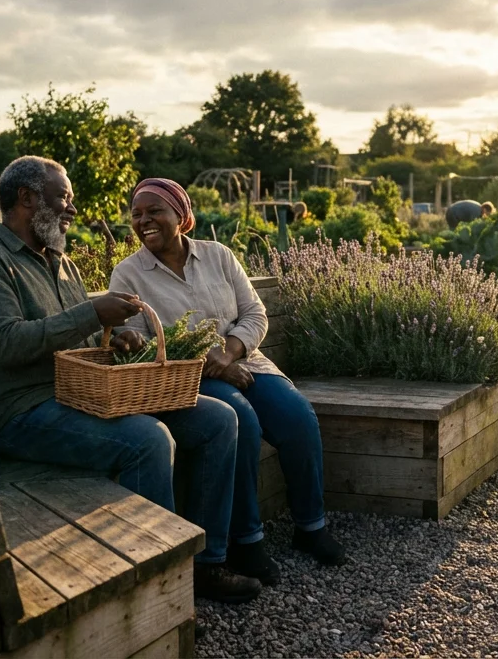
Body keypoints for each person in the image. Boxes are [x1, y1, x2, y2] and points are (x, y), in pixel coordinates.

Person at [0, 157, 261, 604]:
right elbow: (2, 344)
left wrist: (117, 337)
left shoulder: (61, 263)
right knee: (148, 440)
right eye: (64, 199)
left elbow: (88, 334)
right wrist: (91, 313)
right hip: (20, 411)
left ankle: (206, 565)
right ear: (27, 198)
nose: (72, 210)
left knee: (218, 419)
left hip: (83, 393)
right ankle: (157, 586)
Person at [110, 178, 346, 586]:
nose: (144, 221)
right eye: (136, 214)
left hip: (248, 363)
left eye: (155, 212)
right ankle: (247, 541)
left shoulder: (218, 256)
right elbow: (139, 343)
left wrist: (231, 352)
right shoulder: (128, 274)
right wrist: (210, 364)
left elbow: (255, 313)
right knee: (240, 419)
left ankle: (311, 527)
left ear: (182, 218)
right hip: (189, 380)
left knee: (298, 417)